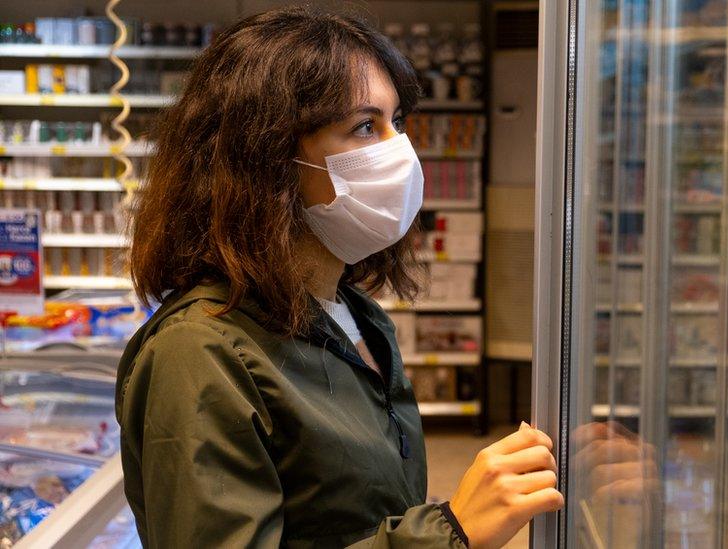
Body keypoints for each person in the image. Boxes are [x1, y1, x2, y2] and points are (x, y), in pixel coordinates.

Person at [116, 7, 562, 548]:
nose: (401, 151)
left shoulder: (356, 314)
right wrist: (451, 531)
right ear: (266, 157)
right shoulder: (198, 353)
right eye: (364, 126)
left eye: (397, 122)